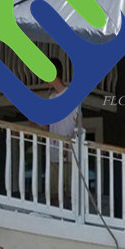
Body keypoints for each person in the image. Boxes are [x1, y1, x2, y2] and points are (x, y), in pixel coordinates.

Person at [40, 58, 81, 207]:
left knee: (70, 198)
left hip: (69, 156)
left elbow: (80, 125)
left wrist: (69, 144)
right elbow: (46, 127)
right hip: (53, 155)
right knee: (54, 197)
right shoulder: (51, 99)